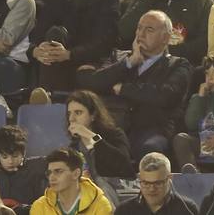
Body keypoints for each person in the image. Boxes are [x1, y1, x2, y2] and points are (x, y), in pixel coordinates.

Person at [79, 9, 193, 158]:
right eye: (139, 28)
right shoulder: (119, 58)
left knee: (150, 149)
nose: (141, 34)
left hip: (152, 130)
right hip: (115, 128)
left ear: (165, 38)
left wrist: (124, 89)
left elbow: (166, 96)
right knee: (85, 143)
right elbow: (93, 83)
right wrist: (130, 62)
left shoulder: (179, 65)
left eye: (149, 29)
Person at [27, 149, 112, 215]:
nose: (51, 177)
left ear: (76, 173)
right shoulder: (40, 206)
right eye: (49, 173)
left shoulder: (100, 205)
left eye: (58, 171)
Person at [117, 153, 196, 215]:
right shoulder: (124, 211)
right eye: (146, 183)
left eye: (158, 183)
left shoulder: (187, 209)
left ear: (170, 178)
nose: (152, 189)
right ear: (139, 178)